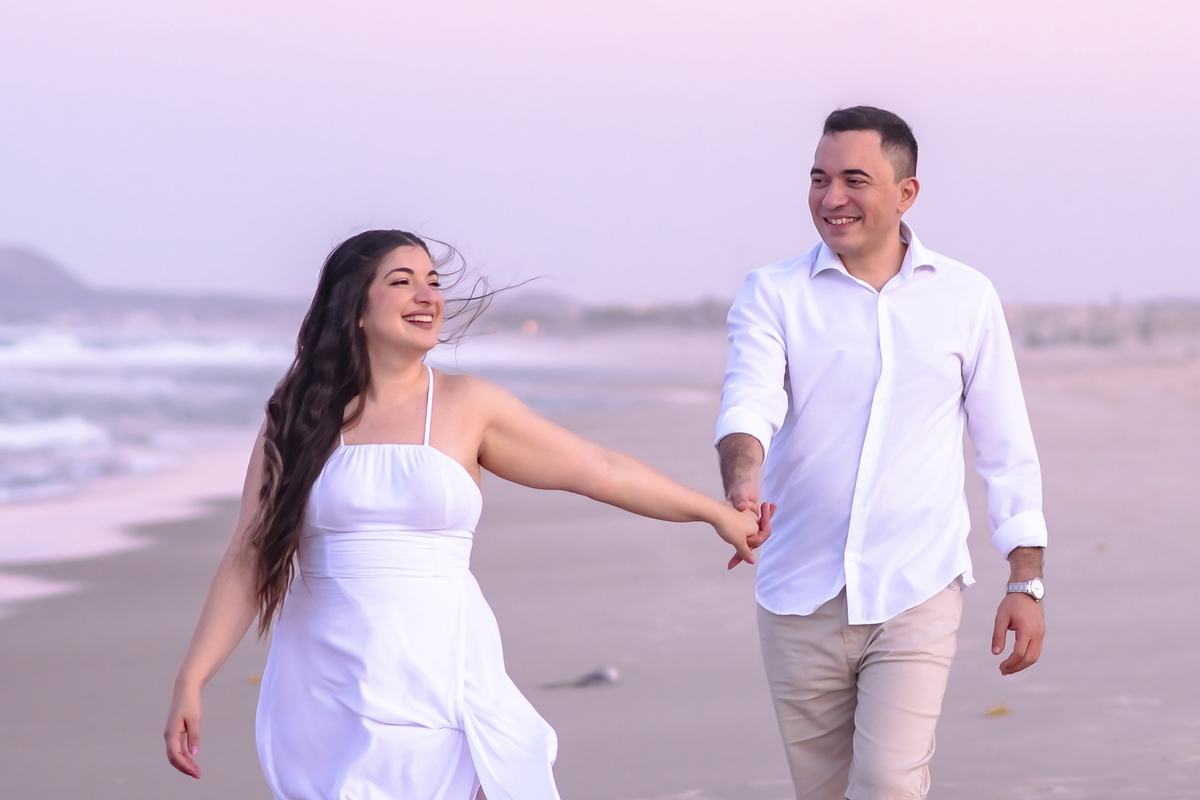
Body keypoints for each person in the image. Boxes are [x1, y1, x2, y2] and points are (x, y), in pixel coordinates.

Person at [163, 230, 762, 799]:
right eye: (401, 282)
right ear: (356, 310)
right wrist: (192, 678)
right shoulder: (296, 418)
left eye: (432, 280)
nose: (427, 296)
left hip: (443, 669)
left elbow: (601, 469)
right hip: (324, 681)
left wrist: (712, 513)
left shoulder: (468, 405)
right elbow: (248, 557)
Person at [716, 106, 1047, 800]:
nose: (831, 198)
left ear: (906, 192)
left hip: (916, 586)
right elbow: (749, 404)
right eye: (819, 178)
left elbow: (1005, 446)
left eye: (854, 179)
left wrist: (1025, 579)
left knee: (890, 784)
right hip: (797, 592)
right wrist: (742, 486)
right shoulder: (773, 293)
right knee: (824, 792)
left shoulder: (964, 296)